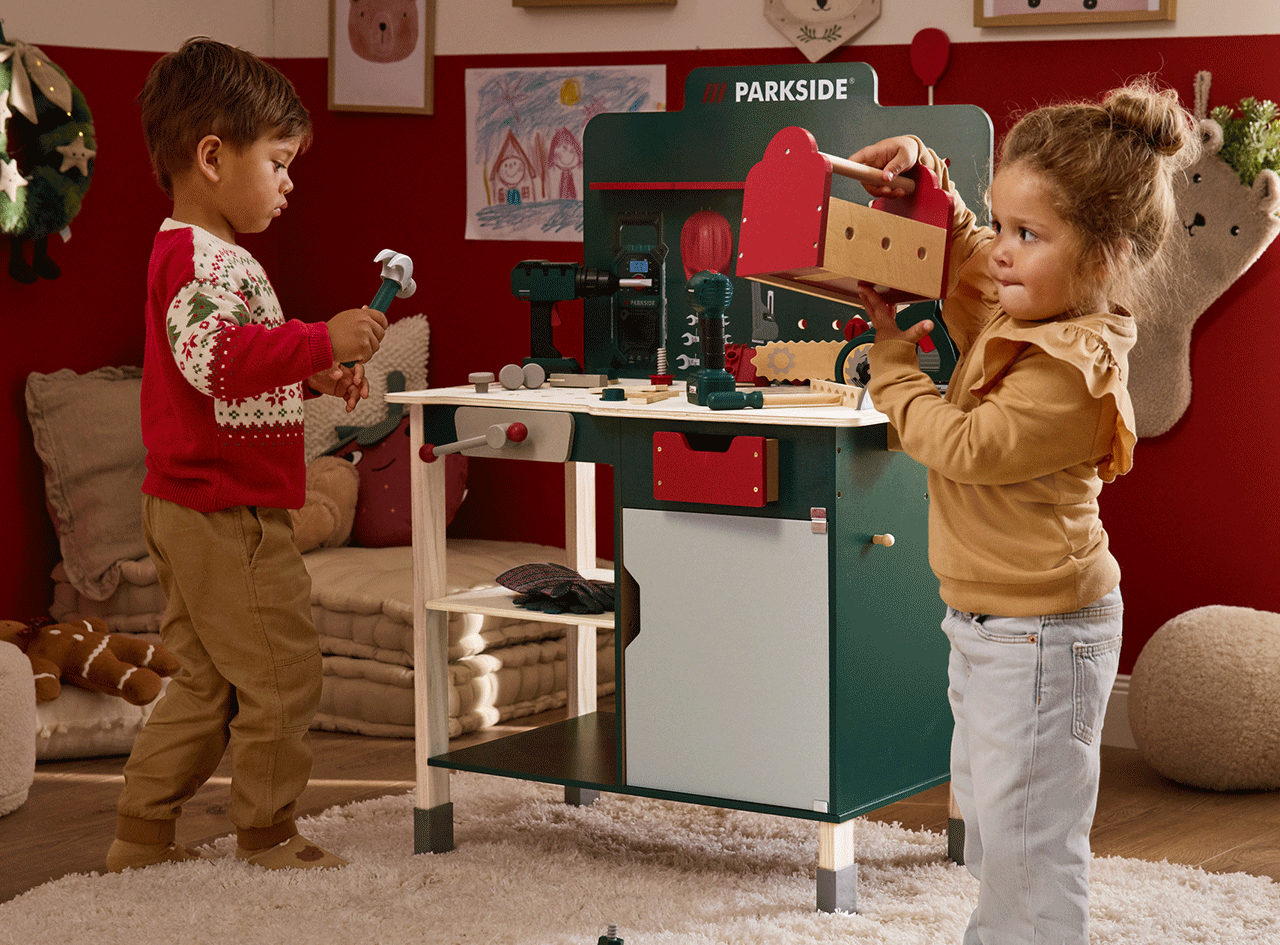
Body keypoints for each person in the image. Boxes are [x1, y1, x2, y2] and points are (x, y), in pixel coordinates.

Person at [850, 81, 1198, 944]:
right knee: (996, 829)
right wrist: (922, 179)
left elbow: (962, 443)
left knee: (1030, 849)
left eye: (1028, 234)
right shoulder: (1027, 294)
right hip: (989, 624)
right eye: (1004, 224)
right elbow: (965, 245)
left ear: (1105, 258)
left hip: (1042, 634)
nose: (1001, 252)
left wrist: (891, 362)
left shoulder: (1068, 372)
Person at [107, 37, 388, 873]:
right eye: (278, 161)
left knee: (207, 681)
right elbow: (218, 360)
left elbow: (225, 382)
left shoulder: (211, 257)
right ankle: (267, 831)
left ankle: (141, 830)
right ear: (212, 157)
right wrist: (315, 338)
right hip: (224, 511)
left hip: (197, 499)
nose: (289, 182)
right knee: (284, 671)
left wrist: (311, 376)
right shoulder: (199, 260)